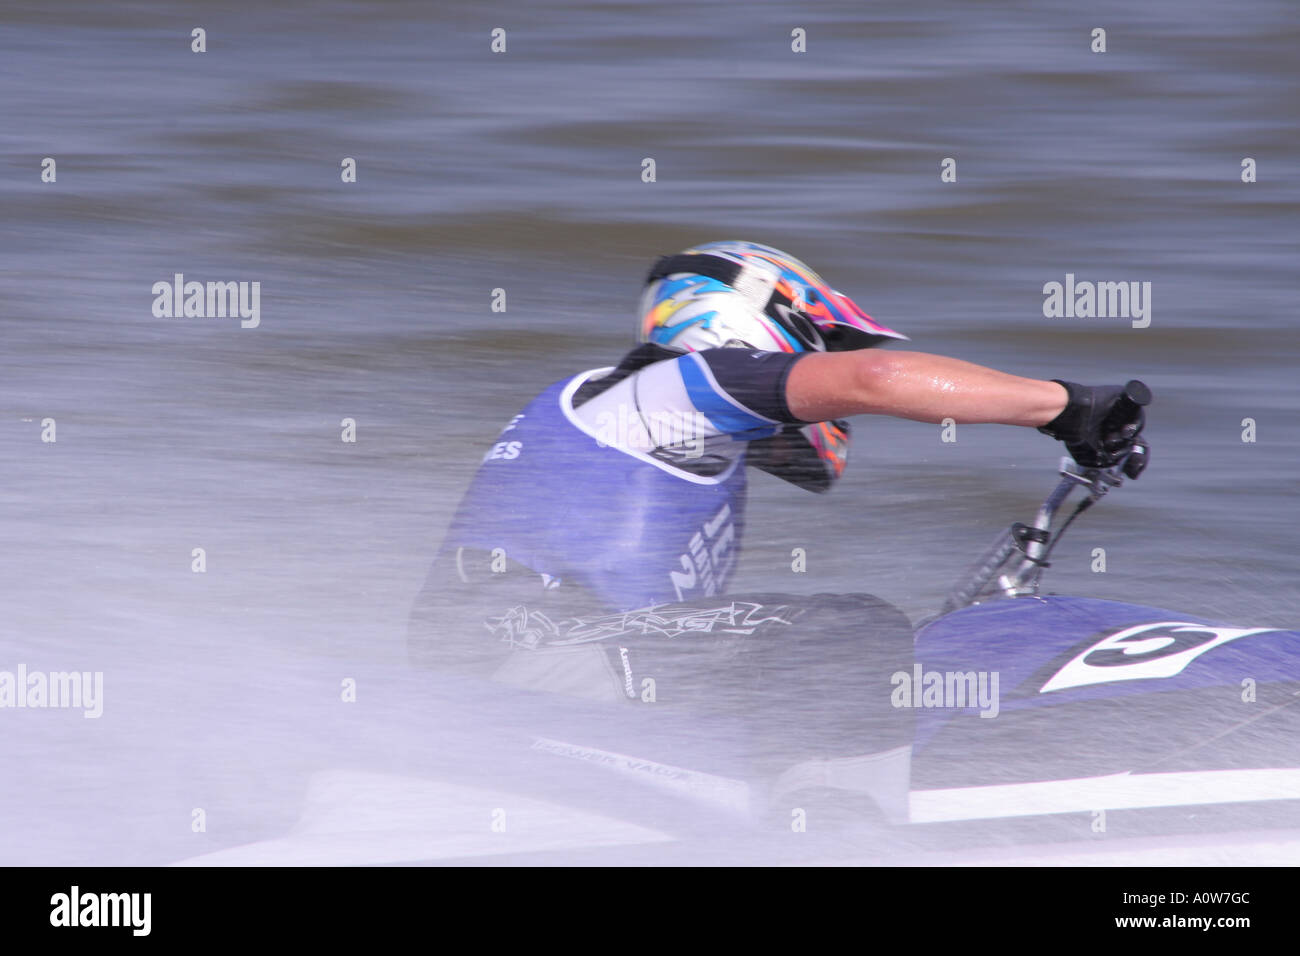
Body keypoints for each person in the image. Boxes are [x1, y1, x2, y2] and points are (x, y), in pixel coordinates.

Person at [408, 240, 1148, 821]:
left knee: (868, 671)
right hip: (515, 660)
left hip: (538, 668)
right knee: (846, 629)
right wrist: (1067, 406)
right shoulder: (667, 390)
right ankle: (840, 842)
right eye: (813, 342)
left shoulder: (670, 435)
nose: (822, 366)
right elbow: (881, 381)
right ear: (755, 323)